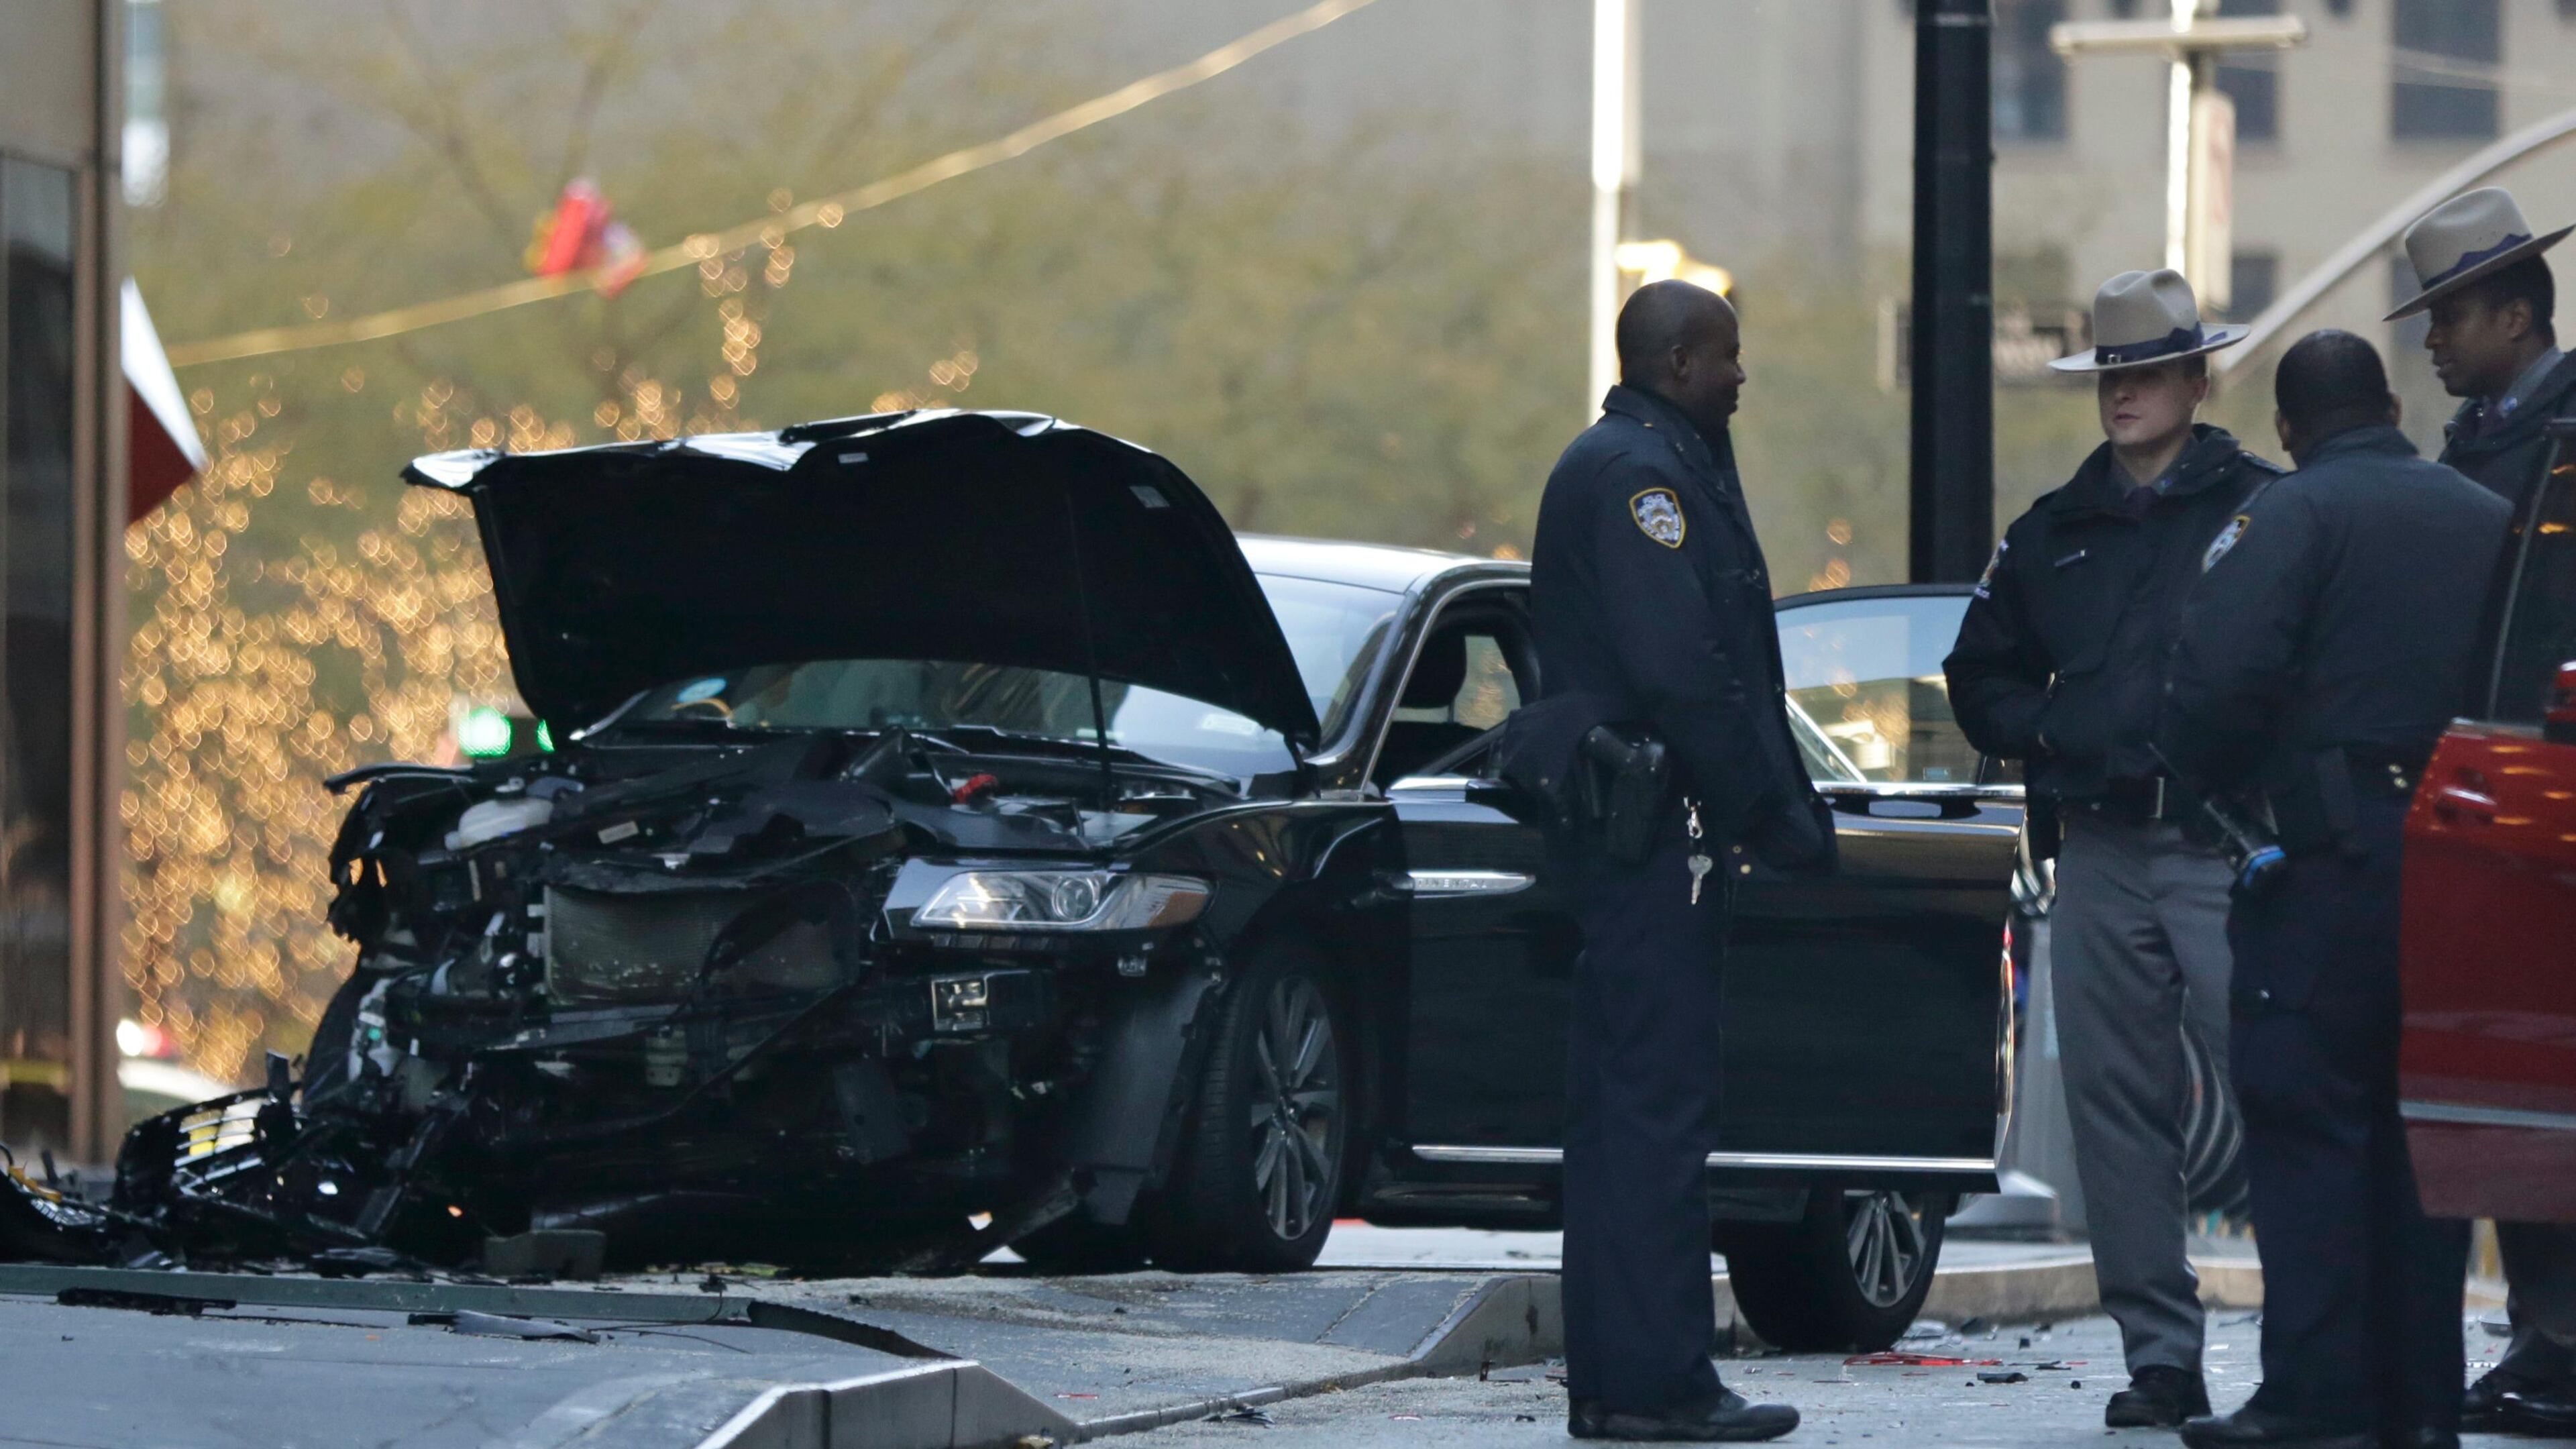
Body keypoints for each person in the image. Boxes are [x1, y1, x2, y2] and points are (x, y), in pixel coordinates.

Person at [2160, 331, 2510, 1449]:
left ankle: (2317, 1396)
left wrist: (2225, 791)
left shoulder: (2288, 517)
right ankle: (2419, 1402)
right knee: (2424, 1138)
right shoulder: (2485, 516)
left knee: (2310, 1121)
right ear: (2392, 403)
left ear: (2289, 429)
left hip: (2329, 858)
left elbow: (2213, 686)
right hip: (2467, 858)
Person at [1944, 268, 2279, 1430]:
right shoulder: (2052, 533)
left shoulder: (2264, 511)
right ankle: (2162, 1361)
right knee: (2115, 1112)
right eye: (2110, 375)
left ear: (2197, 376)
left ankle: (2311, 1348)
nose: (2125, 393)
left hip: (2227, 848)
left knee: (2277, 1088)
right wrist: (2056, 728)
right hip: (2098, 849)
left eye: (2147, 372)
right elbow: (1974, 675)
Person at [1526, 278, 1833, 1443]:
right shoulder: (1641, 479)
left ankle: (1618, 1385)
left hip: (1636, 841)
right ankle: (1661, 1386)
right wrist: (1767, 810)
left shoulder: (1642, 462)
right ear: (1676, 362)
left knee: (1621, 1118)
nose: (1742, 375)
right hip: (1656, 839)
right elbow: (1686, 670)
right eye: (1728, 356)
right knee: (1656, 1116)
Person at [2390, 186, 2576, 1436]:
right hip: (2506, 801)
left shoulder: (2561, 441)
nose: (2434, 342)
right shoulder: (2489, 442)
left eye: (2451, 316)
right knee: (2515, 1092)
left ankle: (2559, 1344)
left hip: (2541, 799)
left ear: (2515, 312)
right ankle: (2547, 1339)